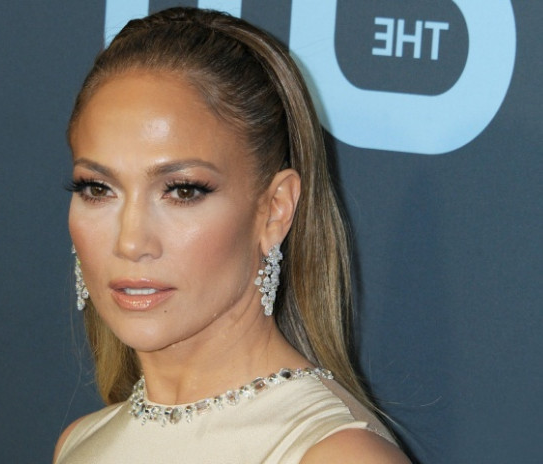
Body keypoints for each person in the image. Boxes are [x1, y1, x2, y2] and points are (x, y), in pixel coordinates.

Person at [54, 7, 409, 463]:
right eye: (97, 189)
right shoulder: (80, 443)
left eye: (182, 191)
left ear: (275, 210)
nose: (130, 242)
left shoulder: (337, 455)